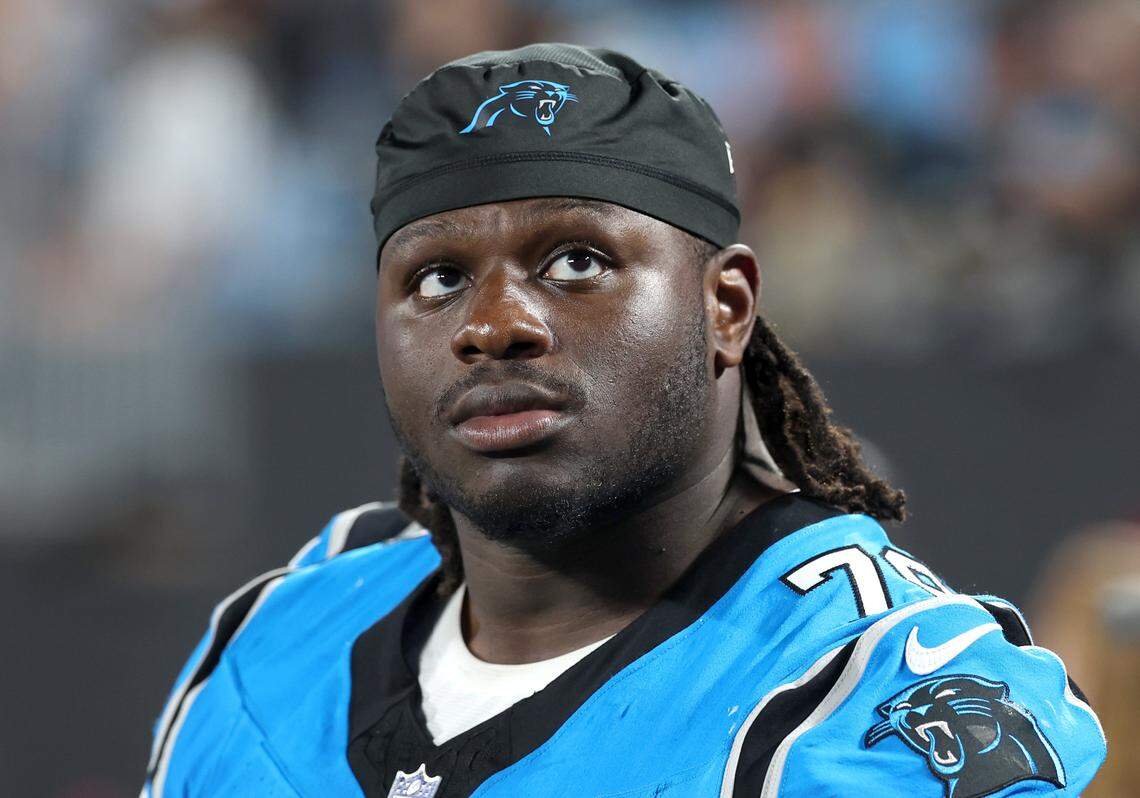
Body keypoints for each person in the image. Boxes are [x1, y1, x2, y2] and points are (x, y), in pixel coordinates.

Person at [140, 44, 1106, 798]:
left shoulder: (876, 703)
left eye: (575, 263)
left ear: (725, 307)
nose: (493, 326)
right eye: (438, 278)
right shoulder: (275, 637)